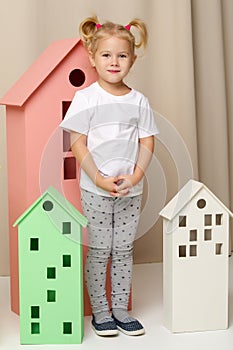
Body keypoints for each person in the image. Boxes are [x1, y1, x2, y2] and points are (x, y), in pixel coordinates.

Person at [60, 15, 159, 337]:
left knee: (123, 250)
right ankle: (100, 311)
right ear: (92, 58)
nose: (114, 62)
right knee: (101, 250)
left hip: (130, 188)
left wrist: (136, 176)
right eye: (106, 55)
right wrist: (99, 178)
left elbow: (147, 142)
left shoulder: (138, 100)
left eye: (121, 55)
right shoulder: (87, 98)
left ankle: (120, 309)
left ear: (132, 59)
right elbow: (77, 142)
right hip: (96, 188)